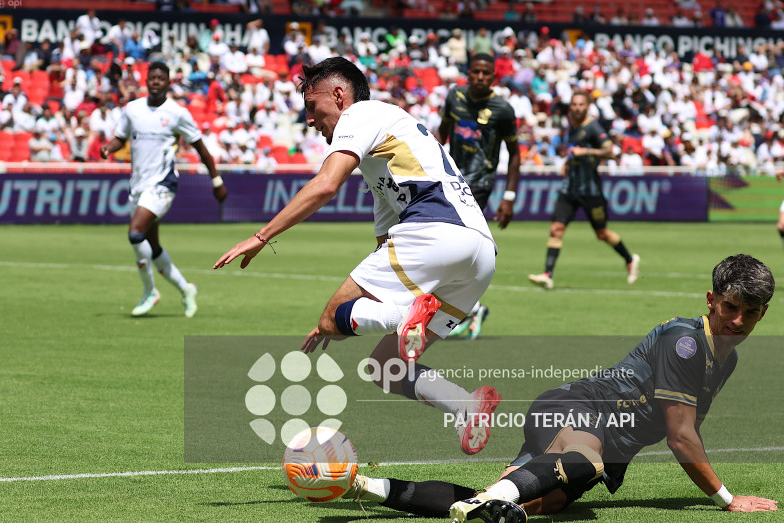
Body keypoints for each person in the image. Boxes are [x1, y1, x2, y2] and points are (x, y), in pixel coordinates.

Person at [344, 254, 779, 521]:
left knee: (518, 505)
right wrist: (726, 499)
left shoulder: (727, 357)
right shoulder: (685, 342)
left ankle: (368, 487)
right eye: (730, 307)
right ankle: (498, 494)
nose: (738, 321)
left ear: (763, 314)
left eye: (752, 313)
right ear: (711, 300)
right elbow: (680, 435)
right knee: (585, 460)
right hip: (577, 409)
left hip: (599, 437)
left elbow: (684, 428)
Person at [214, 57, 502, 455]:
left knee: (335, 317)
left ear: (338, 94)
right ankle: (465, 405)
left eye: (313, 108)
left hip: (434, 232)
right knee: (384, 366)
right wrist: (355, 317)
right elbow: (386, 237)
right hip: (480, 255)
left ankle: (405, 317)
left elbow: (326, 184)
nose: (311, 121)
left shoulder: (361, 114)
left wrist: (262, 236)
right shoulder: (388, 141)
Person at [101, 61, 227, 317]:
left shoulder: (178, 113)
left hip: (162, 184)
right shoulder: (133, 109)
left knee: (136, 234)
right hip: (138, 185)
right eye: (152, 78)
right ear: (146, 81)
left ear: (168, 82)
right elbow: (120, 138)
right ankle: (186, 289)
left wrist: (216, 181)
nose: (156, 82)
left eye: (161, 78)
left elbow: (201, 149)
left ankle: (150, 291)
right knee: (152, 246)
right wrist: (108, 148)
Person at [438, 53, 520, 339]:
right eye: (476, 72)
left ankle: (464, 307)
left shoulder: (503, 109)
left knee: (455, 241)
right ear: (468, 73)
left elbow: (515, 155)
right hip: (450, 179)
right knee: (447, 242)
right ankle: (471, 307)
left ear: (493, 77)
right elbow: (442, 135)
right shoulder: (454, 97)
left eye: (487, 73)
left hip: (479, 184)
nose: (481, 77)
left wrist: (509, 196)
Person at [528, 92, 640, 290]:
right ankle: (548, 275)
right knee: (556, 229)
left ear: (587, 106)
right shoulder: (572, 127)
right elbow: (574, 151)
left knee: (602, 234)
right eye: (574, 104)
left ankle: (630, 260)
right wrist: (569, 163)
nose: (577, 108)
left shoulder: (593, 127)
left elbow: (609, 151)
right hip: (570, 189)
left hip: (591, 191)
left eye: (581, 104)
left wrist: (585, 152)